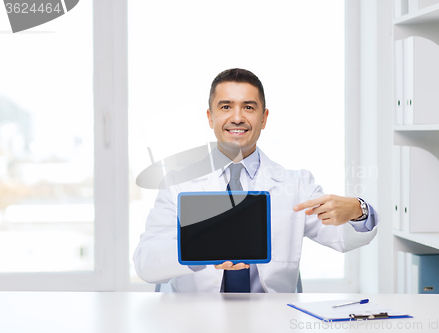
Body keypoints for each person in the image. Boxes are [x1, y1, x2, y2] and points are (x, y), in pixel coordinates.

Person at [133, 68, 378, 293]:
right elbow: (146, 264)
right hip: (198, 320)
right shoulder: (177, 184)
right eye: (226, 107)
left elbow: (343, 238)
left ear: (264, 118)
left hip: (272, 319)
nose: (237, 117)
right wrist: (198, 249)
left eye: (248, 107)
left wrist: (359, 210)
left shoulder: (296, 185)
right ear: (210, 117)